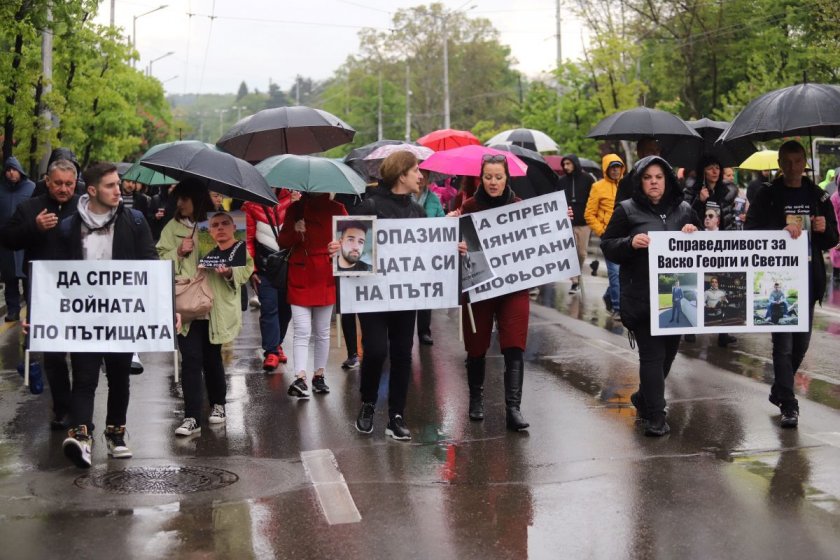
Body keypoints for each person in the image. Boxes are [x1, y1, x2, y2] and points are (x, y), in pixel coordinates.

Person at [57, 162, 159, 468]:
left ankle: (115, 433)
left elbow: (151, 266)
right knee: (85, 379)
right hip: (84, 317)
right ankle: (81, 437)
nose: (119, 190)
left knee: (119, 379)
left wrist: (166, 310)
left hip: (122, 317)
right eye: (110, 186)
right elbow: (54, 276)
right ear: (91, 191)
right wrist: (43, 313)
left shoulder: (136, 221)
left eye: (119, 184)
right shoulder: (68, 227)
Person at [601, 156, 700, 436]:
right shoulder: (626, 210)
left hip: (675, 297)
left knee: (668, 356)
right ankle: (656, 415)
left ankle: (645, 397)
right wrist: (630, 243)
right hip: (642, 297)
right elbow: (608, 246)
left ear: (667, 180)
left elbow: (703, 248)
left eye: (659, 177)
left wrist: (695, 231)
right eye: (648, 177)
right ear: (640, 181)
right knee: (652, 358)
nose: (654, 182)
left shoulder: (684, 210)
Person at [745, 140, 837, 428]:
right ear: (780, 164)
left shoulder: (818, 196)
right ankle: (789, 403)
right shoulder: (767, 196)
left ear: (805, 162)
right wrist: (778, 232)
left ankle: (779, 389)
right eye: (787, 161)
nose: (793, 167)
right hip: (777, 283)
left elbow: (832, 238)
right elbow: (750, 231)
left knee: (801, 344)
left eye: (798, 161)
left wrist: (825, 229)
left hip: (808, 280)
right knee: (782, 346)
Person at [336, 151, 425, 441]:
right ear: (402, 175)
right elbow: (352, 242)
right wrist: (336, 249)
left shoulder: (418, 212)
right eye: (416, 171)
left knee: (402, 354)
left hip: (405, 295)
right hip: (372, 295)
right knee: (374, 351)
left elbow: (428, 252)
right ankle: (369, 402)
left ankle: (396, 415)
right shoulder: (370, 206)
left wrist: (450, 246)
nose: (421, 176)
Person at [157, 180, 253, 436]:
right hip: (186, 305)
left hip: (215, 304)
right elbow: (158, 261)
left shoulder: (222, 222)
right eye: (178, 199)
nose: (179, 204)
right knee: (190, 358)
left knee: (212, 358)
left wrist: (229, 272)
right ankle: (191, 417)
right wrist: (178, 252)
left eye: (184, 198)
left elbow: (246, 266)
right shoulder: (172, 228)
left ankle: (218, 404)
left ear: (197, 199)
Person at [0, 159, 80, 430]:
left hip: (82, 292)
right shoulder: (30, 207)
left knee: (82, 353)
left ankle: (82, 410)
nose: (63, 189)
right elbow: (8, 238)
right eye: (58, 183)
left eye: (69, 184)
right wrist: (34, 227)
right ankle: (62, 409)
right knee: (55, 355)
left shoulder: (85, 207)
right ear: (47, 181)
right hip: (43, 293)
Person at [457, 154, 532, 431]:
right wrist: (459, 245)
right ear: (481, 177)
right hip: (479, 286)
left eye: (498, 177)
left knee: (514, 344)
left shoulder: (520, 207)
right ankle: (476, 399)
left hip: (513, 286)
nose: (493, 182)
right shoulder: (469, 207)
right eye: (488, 177)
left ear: (506, 178)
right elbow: (456, 242)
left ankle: (513, 408)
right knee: (476, 345)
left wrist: (559, 219)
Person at [278, 191, 347, 399]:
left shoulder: (338, 208)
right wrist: (296, 232)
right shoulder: (295, 209)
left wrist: (340, 245)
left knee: (322, 330)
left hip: (325, 273)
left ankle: (319, 375)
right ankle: (300, 377)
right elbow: (282, 241)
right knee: (302, 329)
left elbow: (353, 240)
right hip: (301, 272)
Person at [684, 154, 739, 347]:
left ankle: (723, 331)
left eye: (717, 167)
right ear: (703, 171)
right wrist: (699, 201)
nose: (715, 171)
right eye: (710, 168)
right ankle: (690, 328)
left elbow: (730, 218)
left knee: (722, 284)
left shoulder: (726, 192)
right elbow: (685, 214)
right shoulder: (692, 190)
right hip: (699, 246)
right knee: (698, 285)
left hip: (721, 246)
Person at [242, 188, 296, 372]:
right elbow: (248, 239)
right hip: (264, 267)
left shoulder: (294, 200)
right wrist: (252, 269)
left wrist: (297, 206)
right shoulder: (251, 204)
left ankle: (277, 342)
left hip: (290, 265)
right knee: (269, 307)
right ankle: (271, 351)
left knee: (286, 309)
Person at [584, 154, 624, 318]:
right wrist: (602, 231)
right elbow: (589, 214)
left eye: (618, 167)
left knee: (622, 272)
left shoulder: (627, 185)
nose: (615, 170)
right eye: (612, 167)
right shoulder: (598, 187)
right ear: (606, 169)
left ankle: (609, 296)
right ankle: (617, 307)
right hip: (608, 236)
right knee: (614, 271)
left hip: (626, 235)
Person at [0, 156, 35, 321]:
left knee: (28, 278)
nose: (11, 173)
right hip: (6, 241)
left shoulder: (31, 188)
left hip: (26, 239)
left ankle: (32, 310)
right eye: (8, 170)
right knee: (9, 279)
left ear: (20, 171)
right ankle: (13, 310)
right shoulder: (0, 189)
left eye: (14, 169)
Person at [414, 169, 445, 345]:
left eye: (425, 176)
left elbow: (440, 220)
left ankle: (424, 331)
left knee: (426, 292)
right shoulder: (405, 197)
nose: (420, 179)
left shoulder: (433, 199)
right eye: (418, 175)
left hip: (428, 253)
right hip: (407, 253)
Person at [557, 154, 594, 294]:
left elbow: (594, 199)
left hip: (584, 222)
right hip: (567, 223)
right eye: (564, 164)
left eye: (568, 163)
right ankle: (574, 281)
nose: (566, 167)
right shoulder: (561, 181)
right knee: (570, 251)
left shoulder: (588, 179)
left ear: (575, 163)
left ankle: (577, 274)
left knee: (582, 252)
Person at [615, 137, 662, 206]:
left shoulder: (667, 178)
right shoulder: (627, 181)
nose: (655, 154)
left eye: (657, 150)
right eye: (651, 151)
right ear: (640, 153)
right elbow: (619, 210)